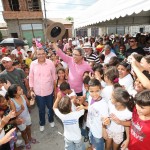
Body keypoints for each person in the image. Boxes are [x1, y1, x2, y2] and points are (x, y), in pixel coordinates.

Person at [29, 48, 56, 132]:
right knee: (41, 109)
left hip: (49, 90)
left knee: (50, 108)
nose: (41, 55)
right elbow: (31, 77)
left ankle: (51, 120)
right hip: (38, 92)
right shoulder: (33, 64)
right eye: (39, 54)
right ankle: (42, 123)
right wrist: (31, 90)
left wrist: (55, 90)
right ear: (36, 55)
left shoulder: (50, 63)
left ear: (45, 54)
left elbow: (54, 77)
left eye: (42, 53)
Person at [78, 79, 109, 150]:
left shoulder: (103, 104)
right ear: (88, 90)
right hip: (91, 127)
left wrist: (104, 130)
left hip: (98, 132)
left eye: (97, 91)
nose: (94, 94)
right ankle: (92, 147)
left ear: (100, 89)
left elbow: (105, 119)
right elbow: (91, 108)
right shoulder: (90, 97)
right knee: (92, 142)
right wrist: (84, 107)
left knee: (99, 146)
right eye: (91, 91)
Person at [7, 84, 35, 149]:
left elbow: (29, 105)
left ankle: (30, 138)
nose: (21, 90)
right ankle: (26, 142)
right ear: (14, 93)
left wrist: (32, 100)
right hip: (20, 120)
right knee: (23, 131)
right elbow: (14, 115)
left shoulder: (23, 96)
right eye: (19, 90)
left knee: (28, 128)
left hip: (27, 116)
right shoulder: (12, 102)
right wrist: (21, 110)